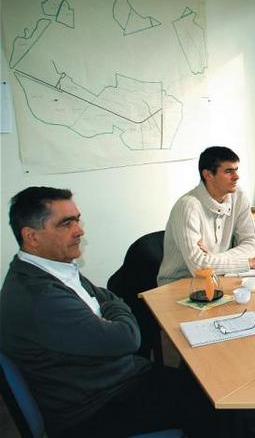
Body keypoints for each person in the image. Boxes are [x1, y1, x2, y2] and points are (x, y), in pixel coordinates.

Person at [0, 187, 216, 437]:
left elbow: (108, 295)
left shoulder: (50, 268)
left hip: (110, 380)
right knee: (209, 401)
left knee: (202, 382)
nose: (79, 230)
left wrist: (109, 311)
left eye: (77, 220)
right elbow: (127, 338)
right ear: (32, 237)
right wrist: (113, 313)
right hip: (93, 408)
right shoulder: (38, 297)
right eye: (66, 223)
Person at [158, 146, 255, 285]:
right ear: (208, 175)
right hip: (181, 284)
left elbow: (251, 244)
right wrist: (250, 262)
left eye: (236, 170)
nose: (236, 177)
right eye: (228, 171)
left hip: (218, 277)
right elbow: (199, 268)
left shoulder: (238, 196)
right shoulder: (188, 206)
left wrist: (212, 258)